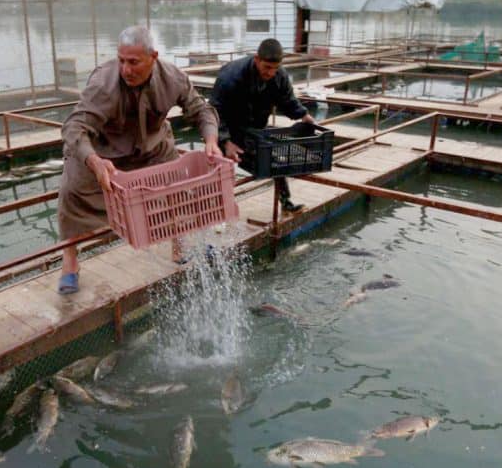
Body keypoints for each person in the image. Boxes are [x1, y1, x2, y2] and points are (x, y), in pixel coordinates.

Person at [56, 25, 223, 294]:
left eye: (133, 62)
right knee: (71, 193)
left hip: (153, 147)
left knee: (175, 188)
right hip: (104, 152)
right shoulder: (103, 83)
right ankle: (70, 261)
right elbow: (74, 127)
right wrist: (94, 161)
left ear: (153, 57)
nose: (126, 69)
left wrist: (211, 141)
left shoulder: (173, 77)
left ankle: (179, 243)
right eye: (121, 60)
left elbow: (201, 110)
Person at [210, 38, 315, 213]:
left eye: (275, 68)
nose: (271, 73)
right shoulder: (231, 76)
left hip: (255, 130)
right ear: (257, 59)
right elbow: (214, 111)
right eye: (267, 67)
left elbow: (287, 100)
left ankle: (286, 202)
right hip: (227, 128)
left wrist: (304, 115)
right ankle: (213, 207)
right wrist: (225, 141)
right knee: (219, 167)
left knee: (273, 160)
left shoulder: (279, 75)